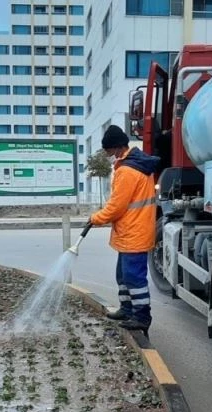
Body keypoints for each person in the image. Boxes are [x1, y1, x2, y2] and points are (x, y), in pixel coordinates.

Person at [89, 124, 160, 334]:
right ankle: (127, 309)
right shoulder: (133, 164)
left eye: (109, 151)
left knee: (134, 278)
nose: (108, 155)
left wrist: (95, 218)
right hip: (131, 230)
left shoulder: (128, 171)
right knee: (123, 275)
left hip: (134, 233)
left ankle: (141, 317)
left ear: (118, 148)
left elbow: (116, 206)